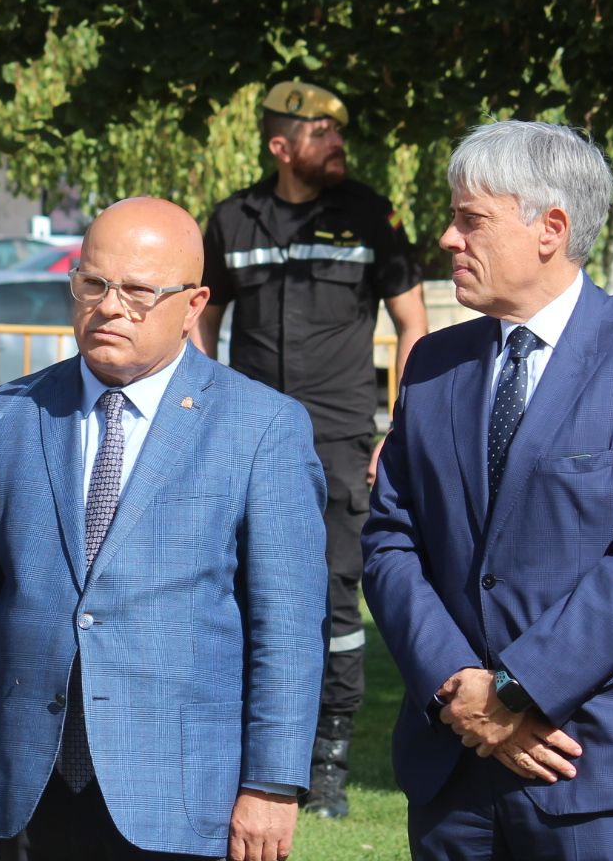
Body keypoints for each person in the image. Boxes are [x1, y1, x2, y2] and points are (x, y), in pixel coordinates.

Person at [0, 196, 327, 861]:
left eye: (139, 292)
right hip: (29, 790)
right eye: (93, 285)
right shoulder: (12, 416)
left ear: (195, 305)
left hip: (184, 798)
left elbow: (287, 628)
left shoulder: (260, 428)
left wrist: (272, 785)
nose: (111, 307)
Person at [363, 121, 613, 860]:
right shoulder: (433, 364)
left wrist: (516, 691)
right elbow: (390, 540)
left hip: (596, 761)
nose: (447, 239)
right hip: (453, 762)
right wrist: (458, 690)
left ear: (550, 229)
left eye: (471, 220)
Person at [195, 78, 428, 819]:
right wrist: (200, 412)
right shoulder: (232, 219)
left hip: (338, 440)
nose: (336, 144)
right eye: (321, 132)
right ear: (280, 144)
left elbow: (413, 327)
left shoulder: (370, 214)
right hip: (246, 440)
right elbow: (203, 319)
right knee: (238, 595)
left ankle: (326, 768)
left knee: (333, 602)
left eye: (337, 132)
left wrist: (399, 431)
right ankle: (253, 756)